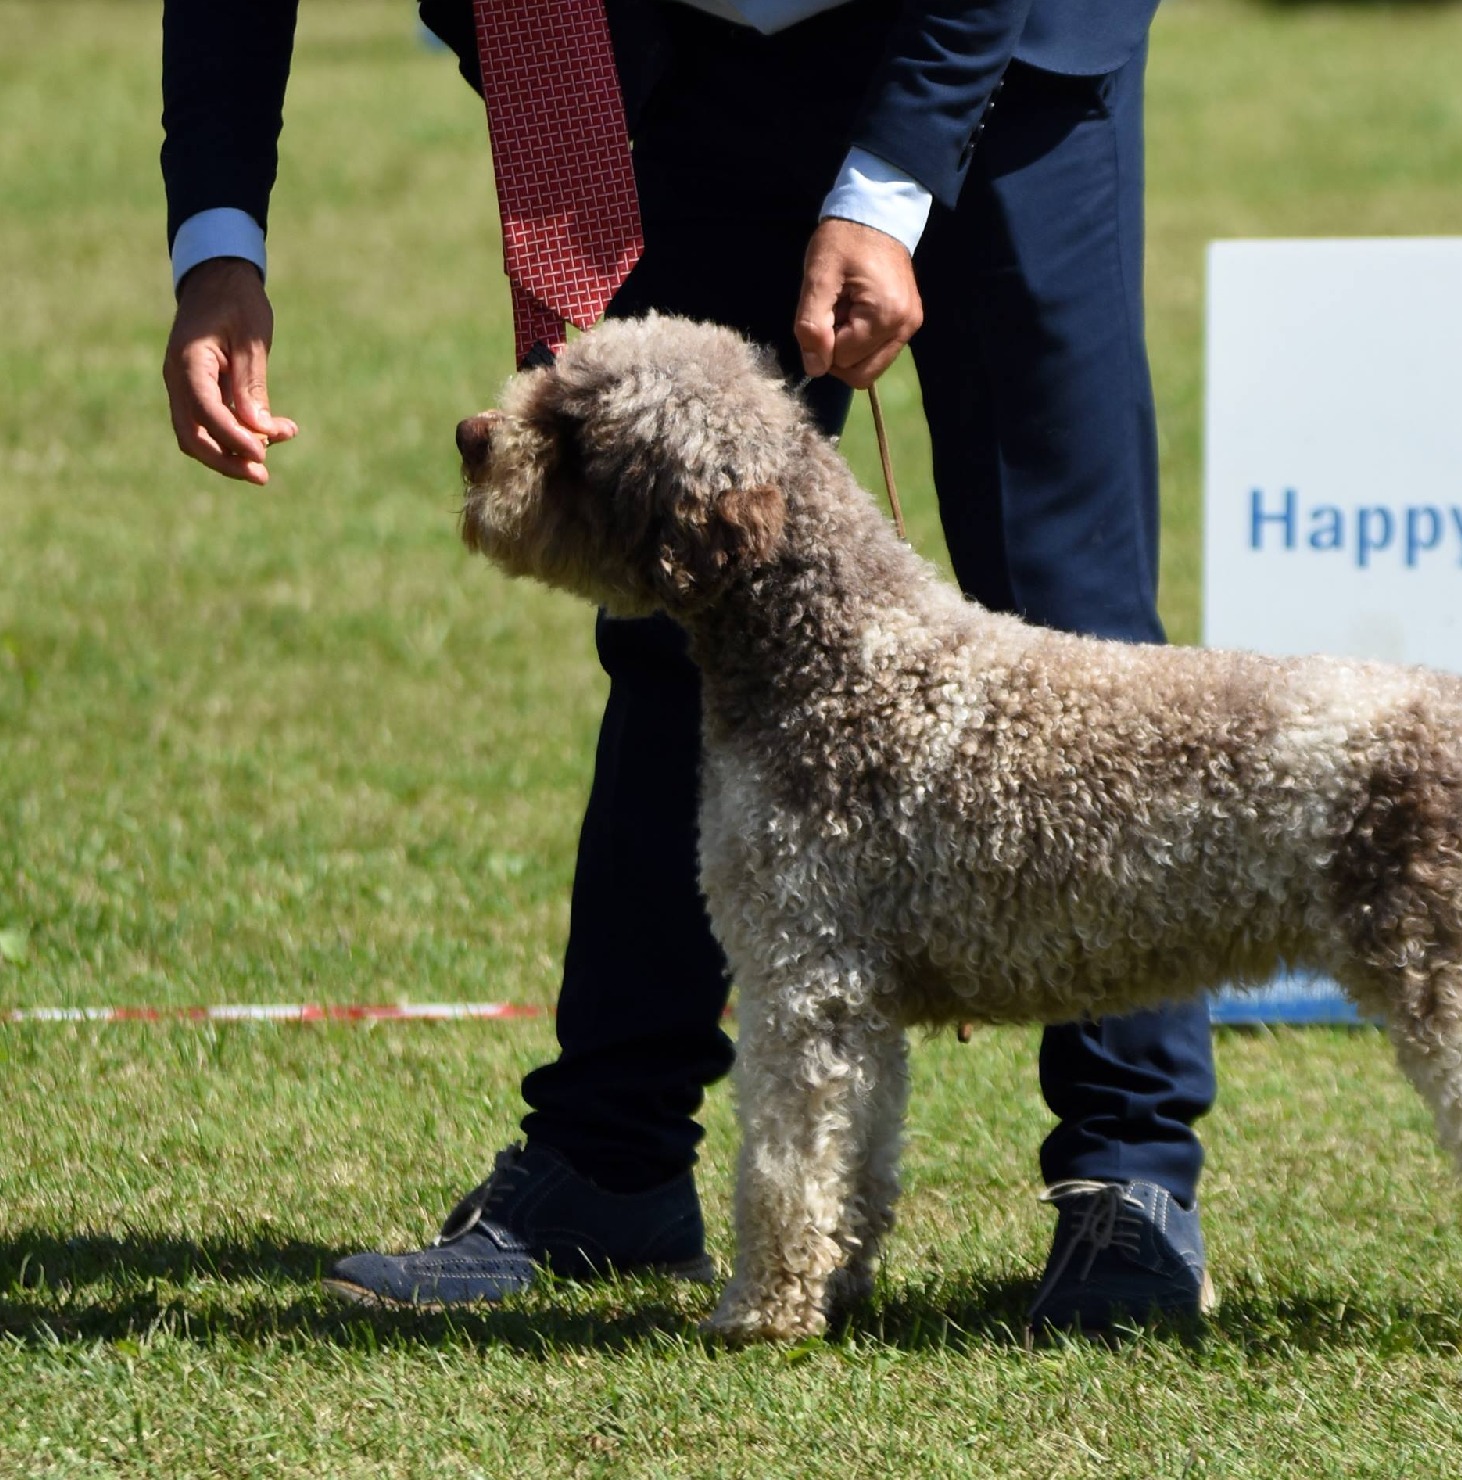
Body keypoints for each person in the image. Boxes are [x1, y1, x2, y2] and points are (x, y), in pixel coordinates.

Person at [160, 0, 1217, 1333]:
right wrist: (217, 242)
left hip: (1006, 64)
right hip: (693, 54)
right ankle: (610, 1161)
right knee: (679, 590)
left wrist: (885, 191)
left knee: (1069, 608)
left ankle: (1128, 1181)